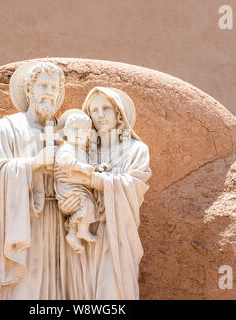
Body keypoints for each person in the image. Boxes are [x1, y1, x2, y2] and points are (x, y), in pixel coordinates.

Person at [0, 61, 78, 299]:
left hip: (61, 220)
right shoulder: (8, 127)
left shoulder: (65, 130)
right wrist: (34, 163)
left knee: (60, 289)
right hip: (25, 222)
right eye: (43, 85)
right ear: (28, 89)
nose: (49, 92)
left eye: (54, 88)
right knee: (26, 289)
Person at [58, 87, 152, 299]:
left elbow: (134, 185)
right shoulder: (81, 150)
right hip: (84, 235)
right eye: (94, 110)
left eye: (106, 108)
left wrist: (93, 179)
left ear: (118, 112)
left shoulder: (136, 150)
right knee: (82, 293)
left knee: (112, 291)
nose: (100, 115)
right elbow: (62, 178)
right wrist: (67, 202)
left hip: (116, 234)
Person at [54, 110, 98, 254]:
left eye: (84, 131)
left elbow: (89, 166)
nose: (80, 133)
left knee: (86, 207)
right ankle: (80, 232)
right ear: (66, 131)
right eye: (76, 129)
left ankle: (74, 233)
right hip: (68, 190)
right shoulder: (66, 148)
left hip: (79, 190)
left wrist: (98, 168)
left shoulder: (82, 152)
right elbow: (65, 162)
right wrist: (82, 167)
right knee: (87, 205)